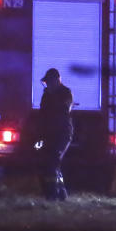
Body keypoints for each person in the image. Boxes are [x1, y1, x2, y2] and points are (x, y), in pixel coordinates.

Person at [36, 67, 73, 200]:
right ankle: (61, 193)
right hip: (48, 135)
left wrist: (53, 97)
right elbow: (42, 113)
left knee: (54, 160)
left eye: (49, 82)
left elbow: (65, 108)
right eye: (46, 83)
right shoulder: (46, 95)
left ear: (57, 81)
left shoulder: (66, 93)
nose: (47, 85)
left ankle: (52, 195)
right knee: (49, 162)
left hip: (63, 134)